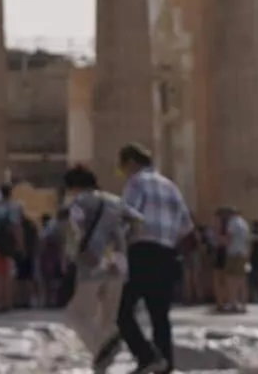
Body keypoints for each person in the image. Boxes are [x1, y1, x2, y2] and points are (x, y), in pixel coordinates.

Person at [114, 144, 192, 374]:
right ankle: (165, 365)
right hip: (166, 254)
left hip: (143, 251)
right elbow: (186, 226)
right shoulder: (171, 187)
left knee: (120, 309)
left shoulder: (137, 182)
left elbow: (128, 215)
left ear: (130, 162)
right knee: (160, 315)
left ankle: (147, 356)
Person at [60, 165, 145, 374]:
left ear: (73, 186)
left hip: (93, 262)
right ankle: (102, 364)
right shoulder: (115, 200)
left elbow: (73, 229)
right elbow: (138, 221)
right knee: (107, 317)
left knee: (76, 314)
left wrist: (73, 253)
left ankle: (101, 348)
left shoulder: (78, 202)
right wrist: (123, 242)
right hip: (118, 262)